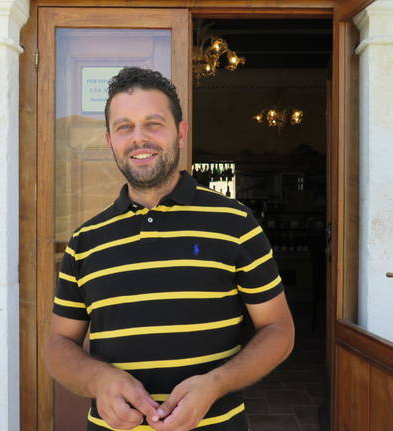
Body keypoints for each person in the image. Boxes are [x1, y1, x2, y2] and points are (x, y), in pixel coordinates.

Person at [46, 67, 295, 431]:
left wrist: (217, 383)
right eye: (124, 127)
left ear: (180, 132)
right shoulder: (86, 241)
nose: (139, 138)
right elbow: (58, 345)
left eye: (153, 123)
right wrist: (97, 381)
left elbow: (279, 329)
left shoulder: (236, 223)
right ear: (110, 140)